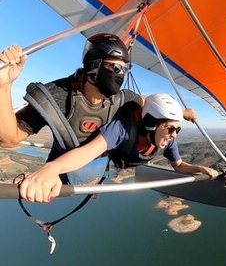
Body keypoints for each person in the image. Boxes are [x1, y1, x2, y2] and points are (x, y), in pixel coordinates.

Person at [0, 34, 196, 185]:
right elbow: (10, 138)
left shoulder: (123, 98)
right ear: (94, 66)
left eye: (124, 70)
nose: (120, 75)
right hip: (62, 173)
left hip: (95, 171)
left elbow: (149, 101)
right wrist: (4, 85)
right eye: (115, 68)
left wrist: (182, 114)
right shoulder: (57, 96)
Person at [19, 93, 219, 202]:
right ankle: (28, 179)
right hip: (107, 156)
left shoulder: (168, 140)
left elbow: (179, 165)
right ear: (151, 123)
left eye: (177, 129)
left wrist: (197, 169)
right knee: (73, 174)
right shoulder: (122, 128)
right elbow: (87, 151)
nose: (173, 135)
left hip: (124, 158)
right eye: (169, 128)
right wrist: (51, 168)